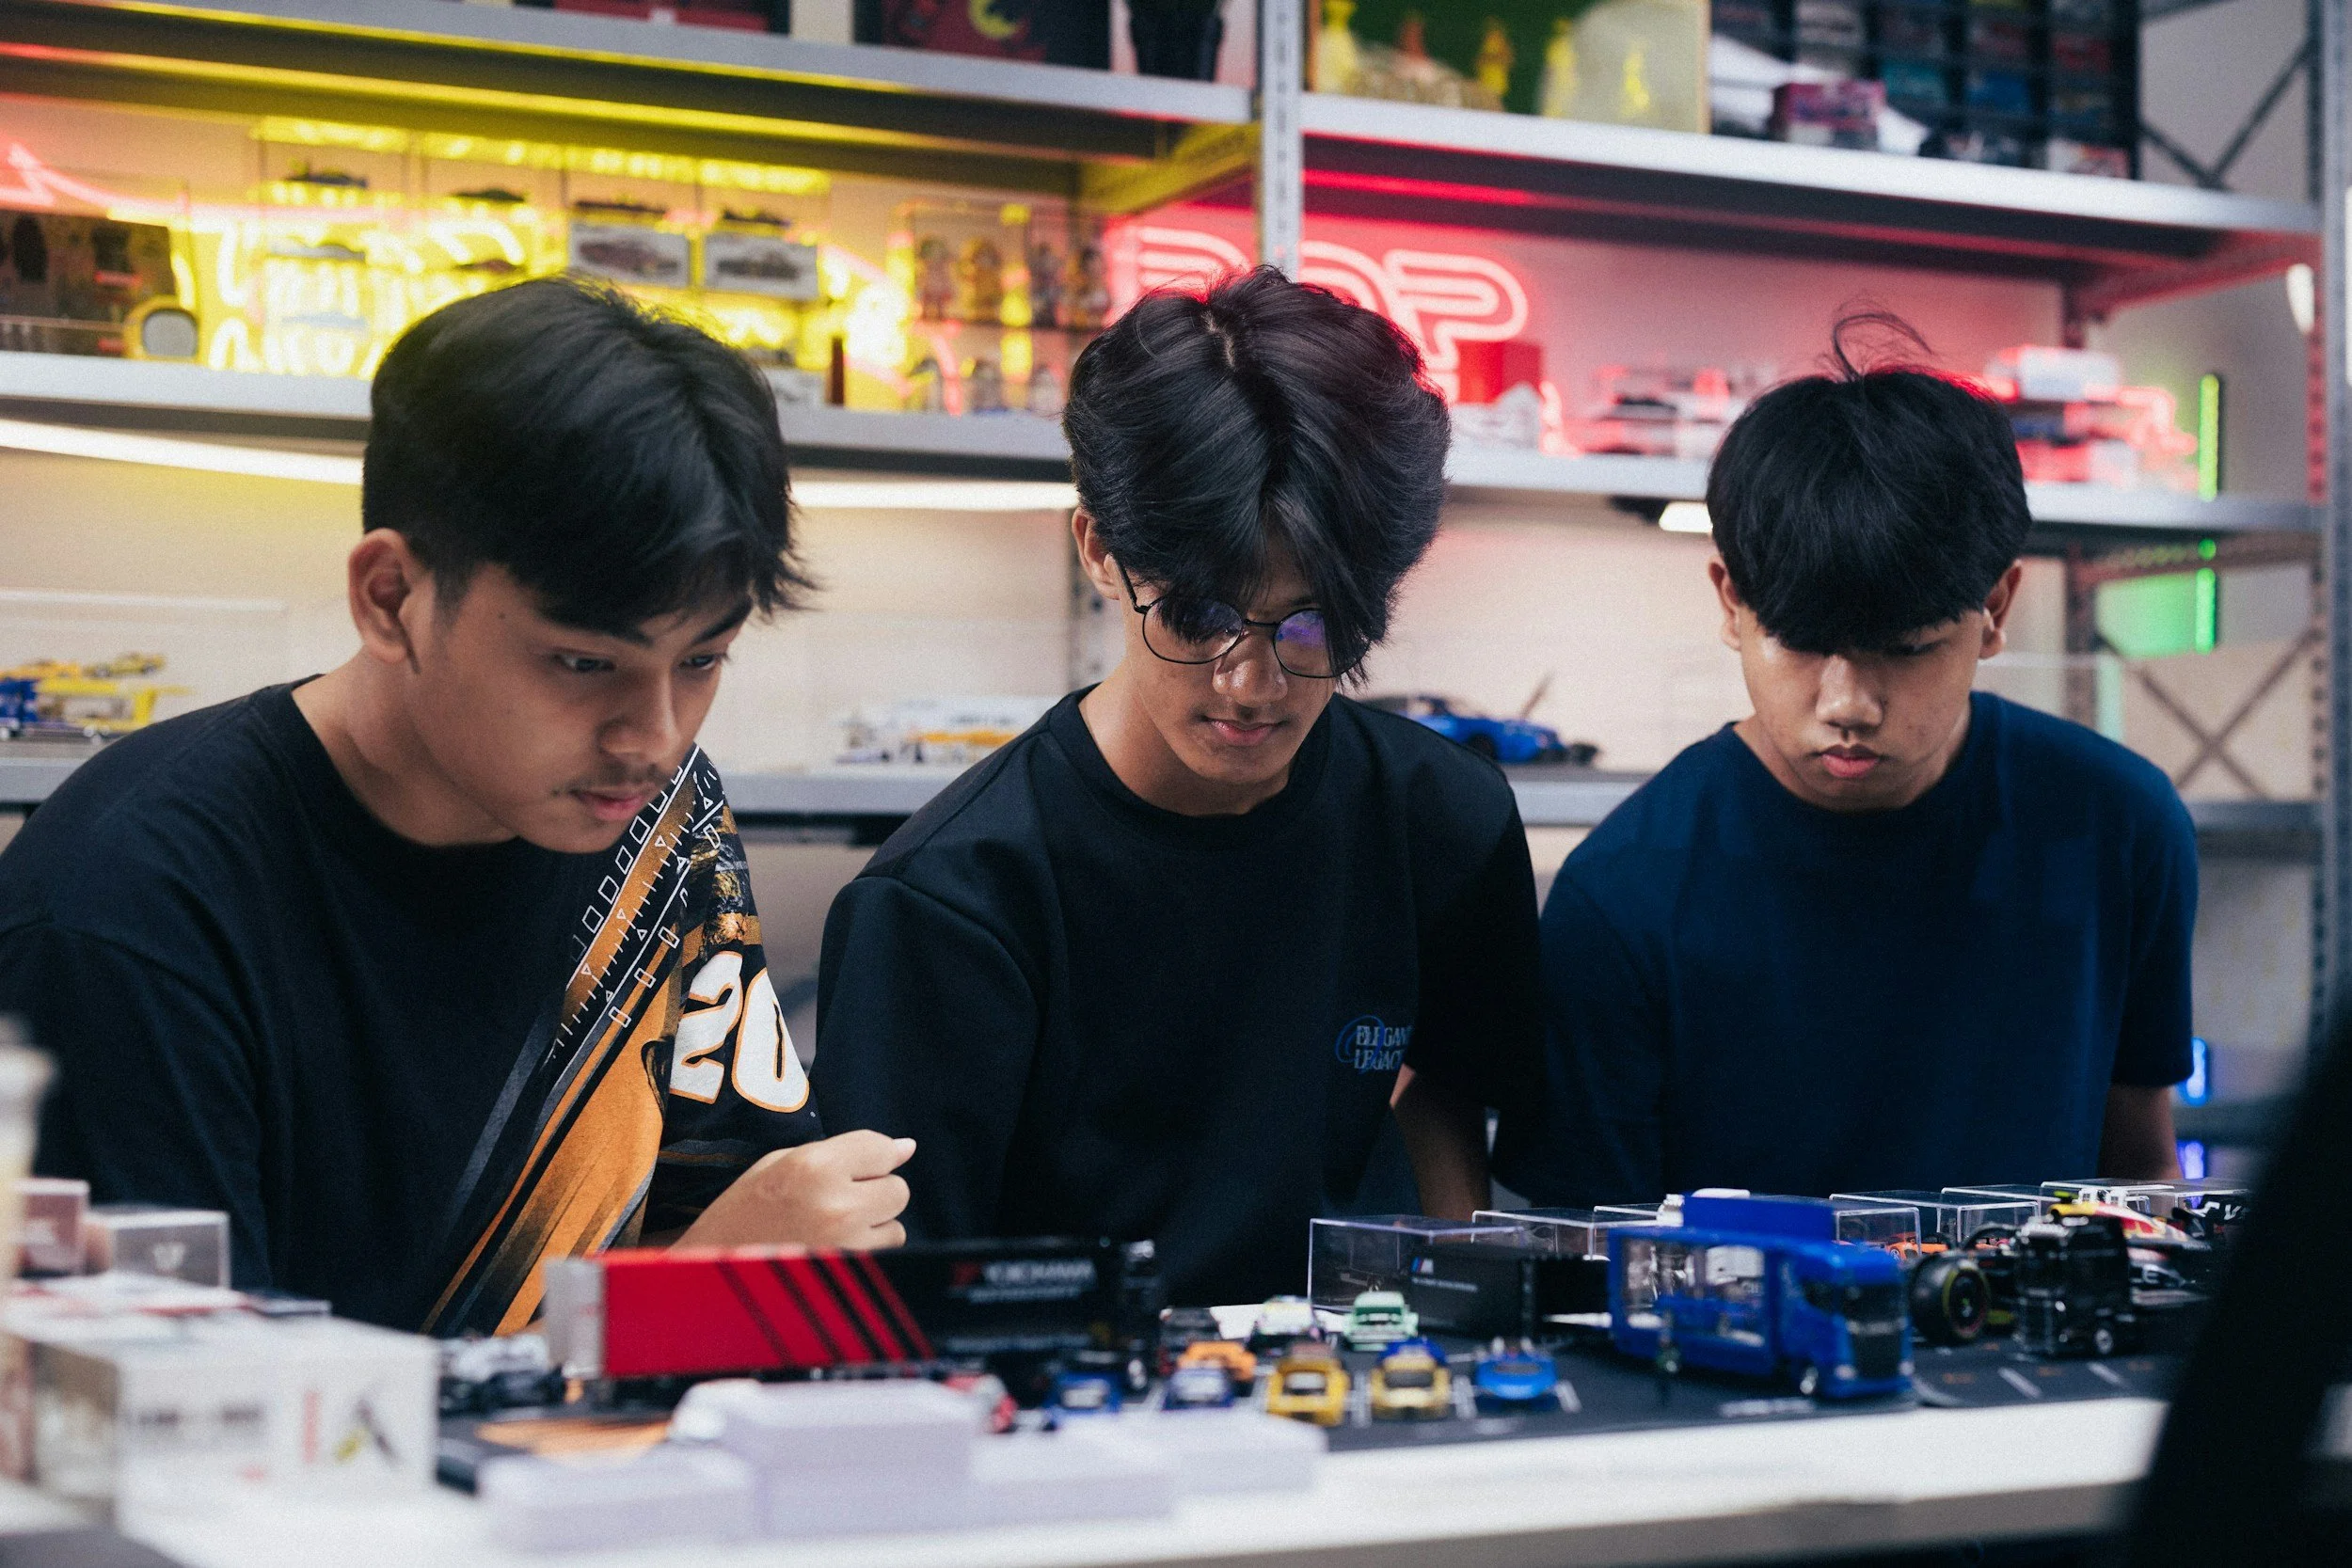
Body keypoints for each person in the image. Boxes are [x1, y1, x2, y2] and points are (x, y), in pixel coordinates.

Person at [0, 279, 911, 1334]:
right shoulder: (131, 907)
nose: (653, 734)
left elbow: (745, 1222)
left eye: (703, 658)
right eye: (583, 661)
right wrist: (677, 1300)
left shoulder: (662, 818)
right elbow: (197, 1433)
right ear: (390, 596)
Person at [812, 267, 1542, 1307]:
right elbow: (899, 1303)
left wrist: (1451, 1313)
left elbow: (1453, 1098)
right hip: (1071, 1424)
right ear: (1101, 552)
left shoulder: (1441, 820)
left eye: (1312, 623)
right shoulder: (950, 902)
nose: (1252, 686)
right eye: (1197, 615)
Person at [1494, 317, 2193, 1207]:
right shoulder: (1624, 898)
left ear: (1996, 607)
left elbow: (2140, 1176)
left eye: (1906, 650)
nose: (1848, 705)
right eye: (1803, 644)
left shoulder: (2119, 829)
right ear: (1731, 602)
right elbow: (1587, 1262)